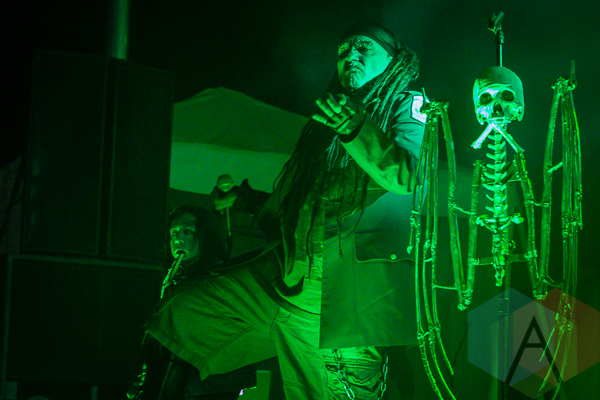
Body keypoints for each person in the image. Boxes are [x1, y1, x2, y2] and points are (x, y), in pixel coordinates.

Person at [143, 21, 427, 399]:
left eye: (363, 47)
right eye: (343, 50)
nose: (350, 56)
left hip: (346, 297)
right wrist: (246, 200)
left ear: (392, 59)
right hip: (286, 282)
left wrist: (355, 128)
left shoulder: (408, 102)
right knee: (181, 314)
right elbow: (305, 200)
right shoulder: (329, 120)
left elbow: (408, 174)